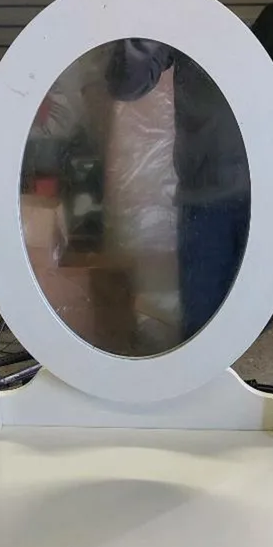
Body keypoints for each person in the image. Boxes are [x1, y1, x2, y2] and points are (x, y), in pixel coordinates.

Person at [106, 39, 250, 340]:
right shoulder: (183, 5)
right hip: (209, 191)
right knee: (202, 328)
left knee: (257, 314)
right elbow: (127, 82)